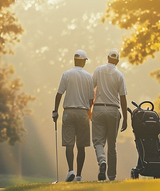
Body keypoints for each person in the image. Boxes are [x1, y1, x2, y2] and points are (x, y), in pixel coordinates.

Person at [52, 49, 95, 182]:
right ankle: (79, 175)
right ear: (83, 61)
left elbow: (59, 94)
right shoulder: (89, 77)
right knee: (81, 145)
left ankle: (70, 170)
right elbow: (91, 99)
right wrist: (89, 113)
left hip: (68, 112)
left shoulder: (66, 74)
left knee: (69, 143)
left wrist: (55, 111)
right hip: (82, 112)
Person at [92, 49, 128, 181]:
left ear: (107, 57)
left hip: (99, 109)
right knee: (112, 145)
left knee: (98, 141)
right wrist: (125, 117)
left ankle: (102, 161)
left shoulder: (98, 70)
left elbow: (91, 88)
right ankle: (111, 176)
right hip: (114, 110)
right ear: (117, 60)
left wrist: (89, 106)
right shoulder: (119, 75)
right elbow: (123, 98)